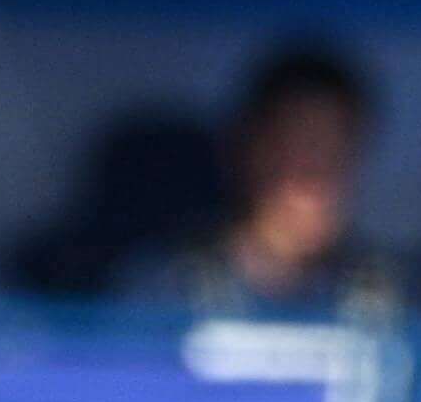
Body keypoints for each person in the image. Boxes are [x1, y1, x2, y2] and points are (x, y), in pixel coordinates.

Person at [153, 39, 400, 323]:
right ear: (250, 150)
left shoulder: (391, 298)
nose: (313, 175)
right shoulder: (169, 286)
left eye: (333, 150)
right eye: (295, 147)